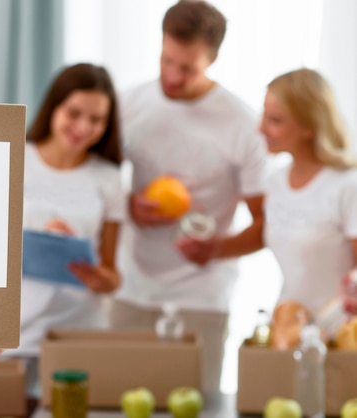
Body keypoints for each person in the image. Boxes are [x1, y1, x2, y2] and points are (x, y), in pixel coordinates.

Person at [112, 0, 269, 398]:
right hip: (132, 287)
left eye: (188, 68)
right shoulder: (127, 105)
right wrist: (129, 205)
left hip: (203, 296)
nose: (174, 77)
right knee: (118, 401)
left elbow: (265, 223)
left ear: (213, 60)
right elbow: (96, 183)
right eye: (167, 61)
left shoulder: (242, 123)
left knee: (195, 405)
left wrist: (216, 249)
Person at [0, 63, 125, 402]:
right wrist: (42, 236)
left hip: (80, 334)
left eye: (96, 119)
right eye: (74, 113)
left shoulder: (109, 179)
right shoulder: (12, 157)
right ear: (54, 107)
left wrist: (102, 279)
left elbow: (113, 274)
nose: (83, 128)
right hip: (16, 333)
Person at [260, 68, 357, 324]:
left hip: (341, 339)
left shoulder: (347, 186)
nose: (261, 128)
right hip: (287, 330)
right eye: (264, 116)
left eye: (275, 120)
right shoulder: (276, 182)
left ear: (308, 127)